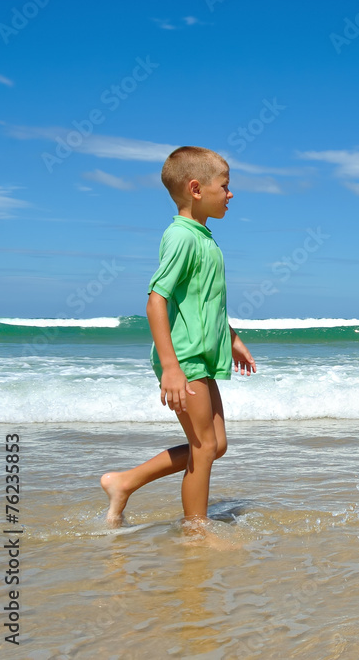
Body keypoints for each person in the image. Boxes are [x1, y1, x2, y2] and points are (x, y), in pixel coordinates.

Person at [101, 146, 256, 534]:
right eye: (225, 185)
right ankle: (195, 531)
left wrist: (232, 338)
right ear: (196, 189)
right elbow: (157, 301)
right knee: (203, 449)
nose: (230, 193)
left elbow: (206, 302)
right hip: (184, 358)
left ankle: (125, 482)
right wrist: (170, 366)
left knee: (215, 445)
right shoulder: (181, 238)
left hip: (202, 356)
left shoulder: (204, 237)